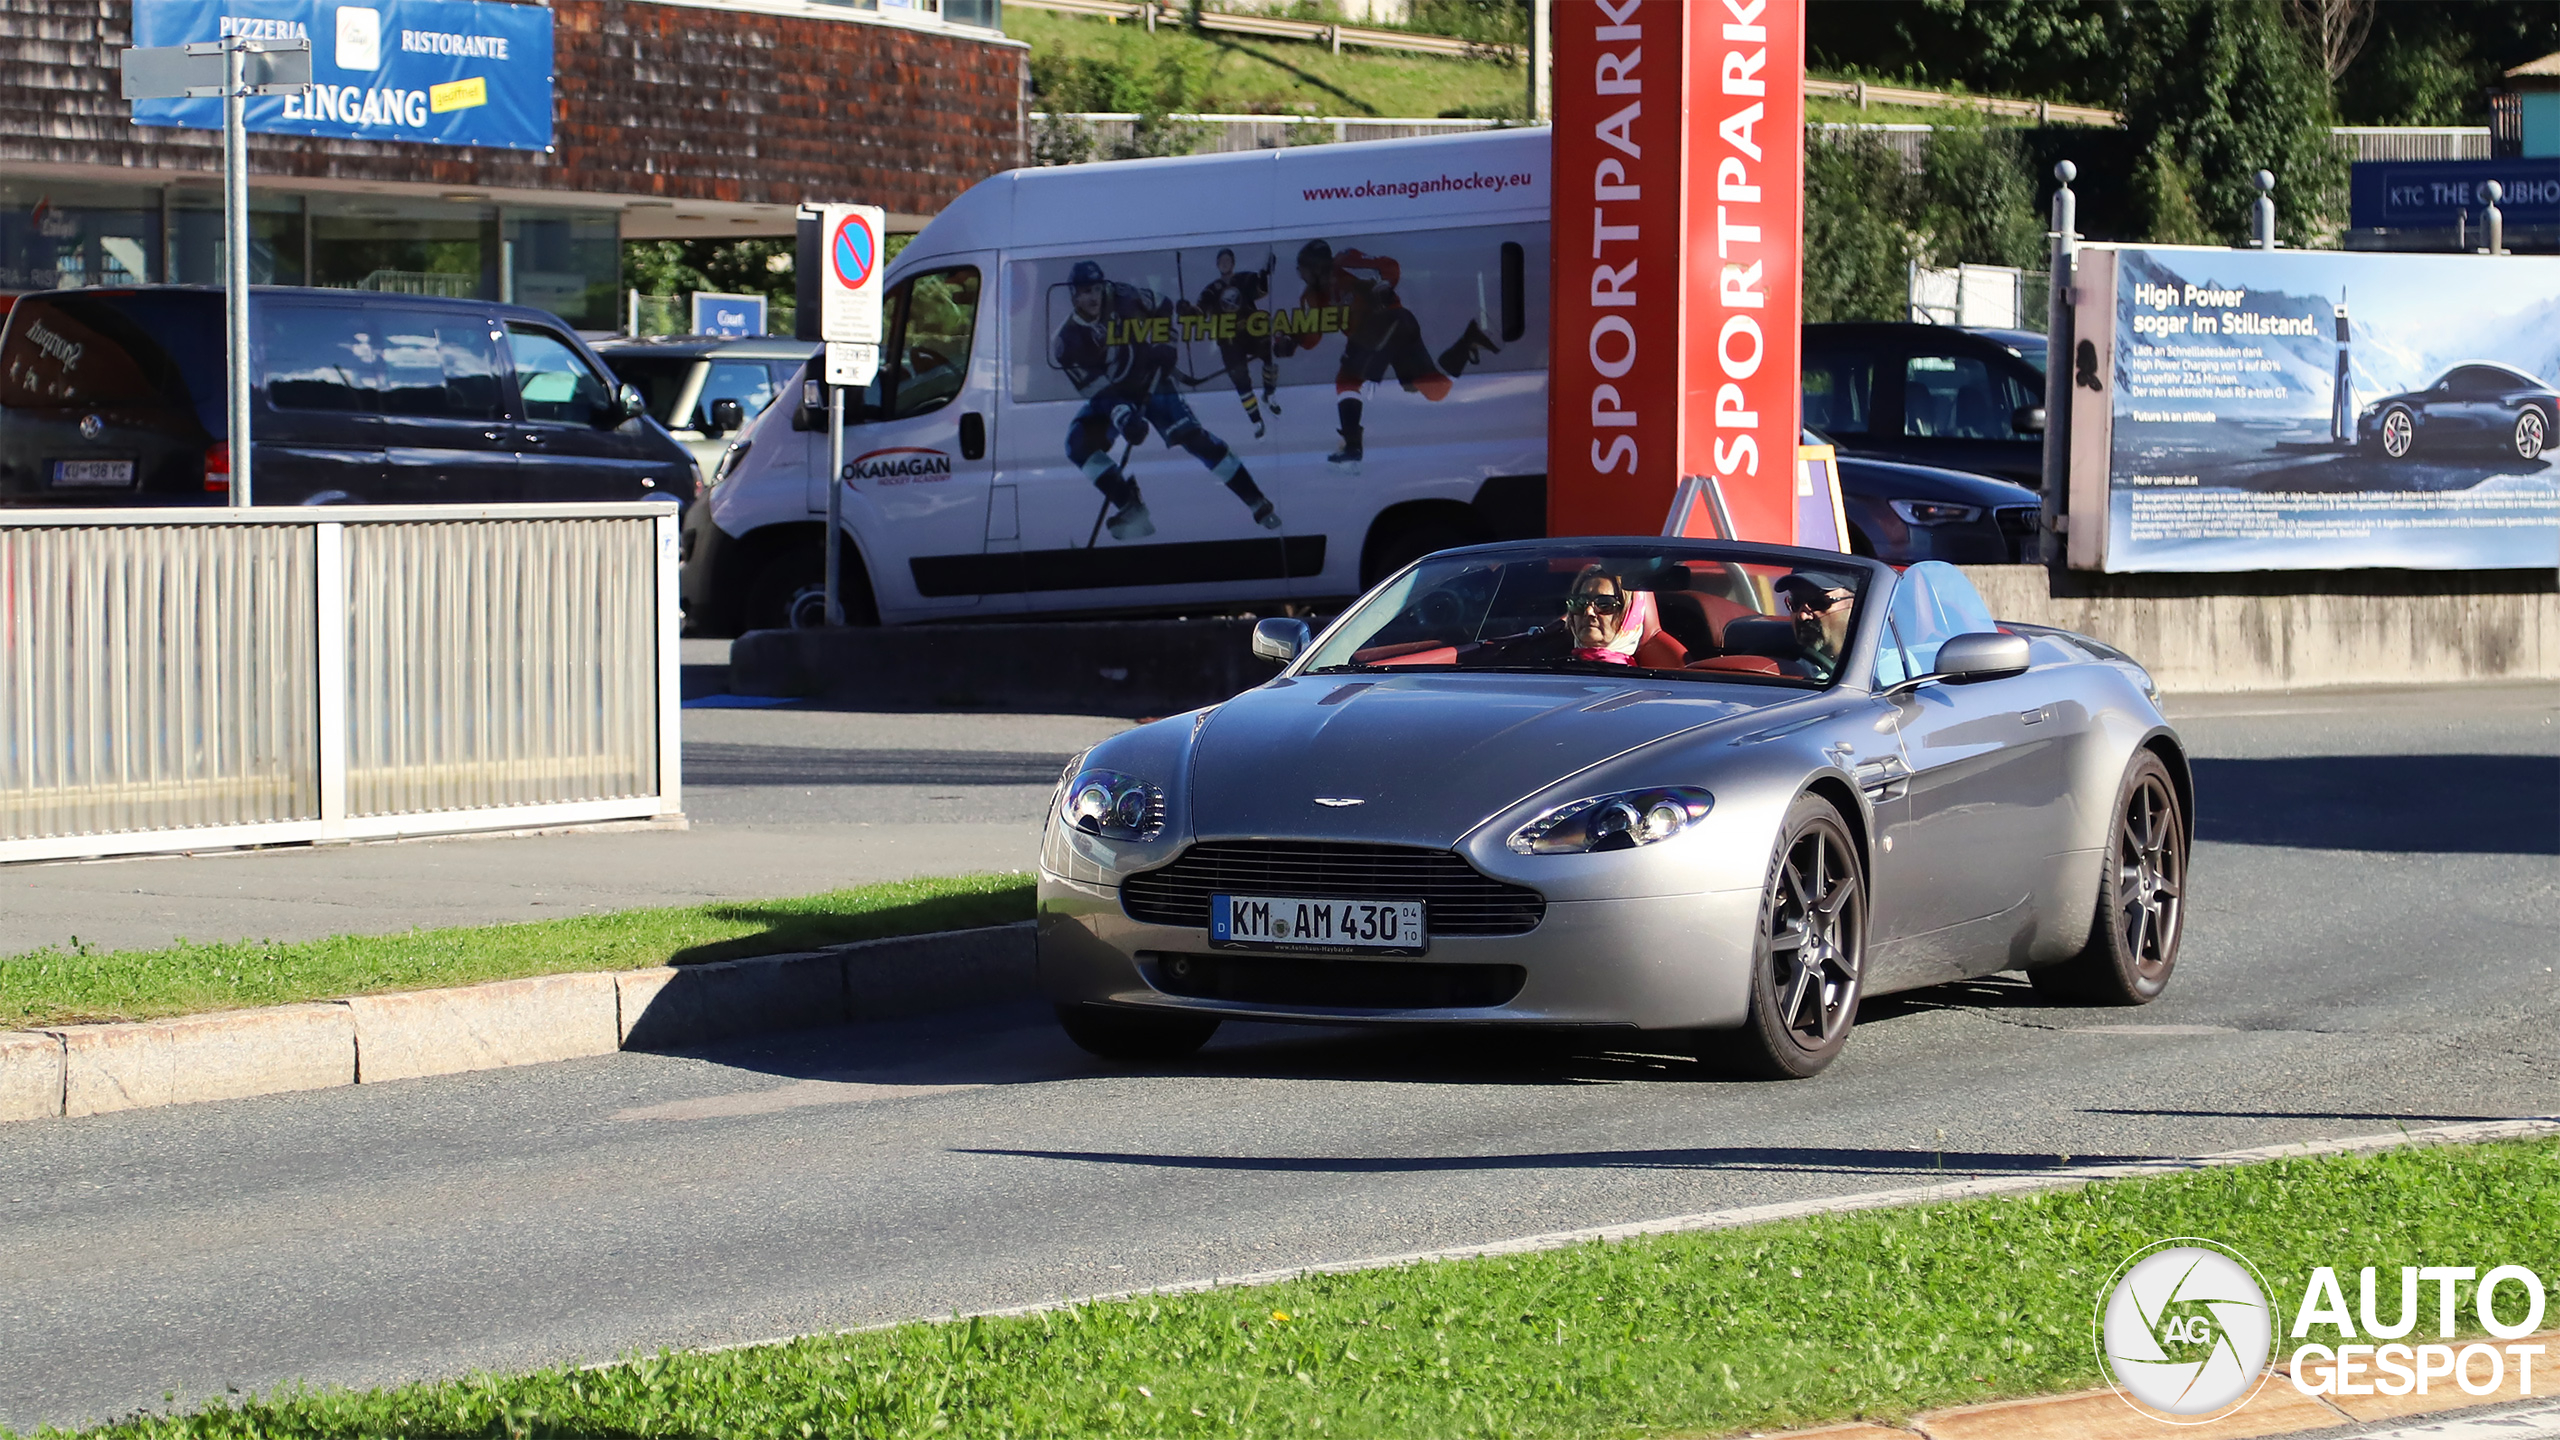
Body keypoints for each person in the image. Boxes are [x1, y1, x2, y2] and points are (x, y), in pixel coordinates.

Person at [1051, 259, 1282, 541]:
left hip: (1152, 378)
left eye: (1097, 288)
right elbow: (1097, 391)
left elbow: (1163, 305)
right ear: (1073, 295)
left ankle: (1257, 501)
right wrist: (1125, 418)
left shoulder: (1123, 296)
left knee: (1194, 438)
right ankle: (1130, 506)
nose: (1094, 296)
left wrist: (1165, 344)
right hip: (1113, 394)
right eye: (1086, 291)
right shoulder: (1066, 341)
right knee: (1077, 444)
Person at [1275, 237, 1500, 471]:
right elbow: (1313, 336)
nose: (1300, 275)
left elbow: (1389, 265)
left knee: (1348, 378)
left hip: (1391, 323)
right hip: (1373, 336)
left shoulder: (1346, 261)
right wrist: (1293, 341)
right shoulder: (1313, 296)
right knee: (1436, 390)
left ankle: (1353, 445)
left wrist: (1383, 285)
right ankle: (1469, 340)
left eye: (1302, 268)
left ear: (1316, 266)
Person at [1194, 247, 1280, 438]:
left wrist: (1265, 273)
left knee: (1269, 354)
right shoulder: (1211, 289)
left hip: (1250, 331)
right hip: (1229, 340)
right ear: (1217, 264)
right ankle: (1257, 421)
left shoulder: (1244, 279)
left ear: (1233, 262)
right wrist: (1190, 310)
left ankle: (1269, 394)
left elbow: (1260, 290)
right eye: (1221, 260)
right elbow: (1201, 309)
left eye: (1228, 259)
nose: (1225, 263)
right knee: (1241, 381)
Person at [1565, 566, 1657, 666]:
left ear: (1629, 616)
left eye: (1605, 604)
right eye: (1580, 602)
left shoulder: (1634, 679)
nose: (1589, 612)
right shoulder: (1552, 670)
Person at [1773, 572, 1856, 680]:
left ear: (1855, 605)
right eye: (1795, 603)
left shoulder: (1880, 669)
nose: (1803, 616)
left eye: (1819, 603)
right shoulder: (1782, 670)